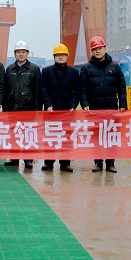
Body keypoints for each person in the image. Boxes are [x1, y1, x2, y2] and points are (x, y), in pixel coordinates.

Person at [79, 36, 127, 173]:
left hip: (111, 107)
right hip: (94, 108)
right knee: (96, 136)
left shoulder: (115, 67)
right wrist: (85, 103)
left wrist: (123, 104)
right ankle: (98, 163)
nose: (98, 51)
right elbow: (83, 88)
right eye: (95, 49)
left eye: (100, 48)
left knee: (111, 136)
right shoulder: (86, 68)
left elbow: (121, 87)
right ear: (91, 51)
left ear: (105, 48)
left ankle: (110, 163)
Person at [41, 43, 79, 172]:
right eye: (58, 55)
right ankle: (49, 162)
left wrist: (73, 105)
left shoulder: (74, 72)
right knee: (50, 136)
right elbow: (44, 89)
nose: (60, 57)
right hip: (51, 110)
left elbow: (77, 91)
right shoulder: (46, 71)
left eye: (63, 55)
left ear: (67, 56)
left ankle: (65, 163)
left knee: (66, 137)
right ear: (54, 57)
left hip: (67, 111)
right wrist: (48, 104)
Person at [3, 41, 41, 169]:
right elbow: (6, 89)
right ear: (15, 54)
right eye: (18, 52)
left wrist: (37, 109)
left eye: (23, 52)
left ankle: (28, 159)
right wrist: (5, 109)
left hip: (28, 108)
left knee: (27, 134)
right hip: (12, 108)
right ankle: (14, 158)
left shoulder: (34, 69)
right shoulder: (9, 69)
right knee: (13, 133)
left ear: (27, 53)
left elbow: (37, 90)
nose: (21, 54)